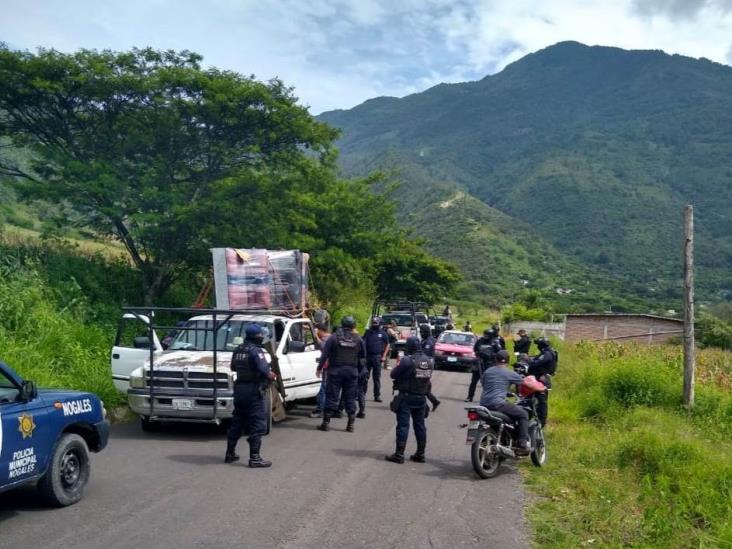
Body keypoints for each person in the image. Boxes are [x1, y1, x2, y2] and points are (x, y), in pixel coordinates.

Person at [225, 324, 276, 467]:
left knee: (238, 422)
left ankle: (230, 453)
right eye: (260, 336)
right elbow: (263, 369)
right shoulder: (256, 351)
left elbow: (233, 367)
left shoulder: (238, 349)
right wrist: (271, 375)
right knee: (257, 423)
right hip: (254, 390)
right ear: (257, 337)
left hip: (240, 389)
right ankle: (255, 458)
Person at [479, 350, 541, 455]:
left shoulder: (488, 371)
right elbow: (527, 384)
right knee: (523, 414)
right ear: (508, 361)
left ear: (495, 359)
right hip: (498, 404)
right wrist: (541, 388)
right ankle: (522, 444)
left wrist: (504, 391)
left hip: (484, 403)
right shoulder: (509, 373)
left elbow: (485, 384)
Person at [385, 337, 433, 464]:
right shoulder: (429, 361)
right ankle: (420, 454)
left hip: (406, 397)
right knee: (420, 426)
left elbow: (393, 375)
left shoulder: (407, 360)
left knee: (403, 426)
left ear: (409, 346)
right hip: (421, 398)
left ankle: (399, 454)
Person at [316, 316, 366, 433]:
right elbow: (363, 357)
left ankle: (326, 423)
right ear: (353, 325)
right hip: (351, 373)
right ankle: (350, 425)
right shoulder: (358, 339)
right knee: (350, 398)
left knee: (331, 396)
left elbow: (325, 354)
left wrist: (319, 369)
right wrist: (359, 371)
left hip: (335, 372)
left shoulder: (334, 338)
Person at [527, 337, 557, 427]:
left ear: (542, 345)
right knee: (531, 397)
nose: (538, 346)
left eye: (538, 345)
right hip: (540, 378)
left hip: (542, 379)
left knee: (541, 401)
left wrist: (530, 361)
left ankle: (541, 422)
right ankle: (531, 416)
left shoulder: (547, 354)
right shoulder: (547, 352)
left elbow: (537, 362)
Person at [362, 316, 390, 407]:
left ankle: (377, 395)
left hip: (377, 357)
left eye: (376, 323)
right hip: (367, 357)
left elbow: (387, 345)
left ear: (379, 323)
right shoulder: (367, 332)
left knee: (376, 378)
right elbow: (363, 343)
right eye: (373, 323)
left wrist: (384, 356)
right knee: (365, 376)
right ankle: (362, 394)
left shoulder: (383, 333)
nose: (374, 324)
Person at [466, 328, 500, 402]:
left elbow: (500, 353)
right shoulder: (480, 341)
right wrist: (479, 354)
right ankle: (470, 396)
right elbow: (475, 349)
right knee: (473, 381)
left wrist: (491, 355)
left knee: (489, 382)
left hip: (489, 364)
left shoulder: (495, 342)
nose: (485, 336)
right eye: (484, 334)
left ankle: (489, 398)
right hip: (479, 363)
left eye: (487, 335)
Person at [310, 323, 332, 418]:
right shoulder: (330, 337)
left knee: (323, 388)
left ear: (320, 330)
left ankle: (321, 410)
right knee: (325, 387)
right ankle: (322, 408)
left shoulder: (328, 339)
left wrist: (315, 336)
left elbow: (323, 347)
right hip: (327, 367)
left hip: (328, 367)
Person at [419, 324, 441, 412]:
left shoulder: (429, 341)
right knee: (423, 385)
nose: (420, 333)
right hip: (424, 364)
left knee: (421, 385)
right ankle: (434, 401)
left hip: (425, 365)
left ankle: (425, 407)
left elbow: (425, 355)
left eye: (422, 332)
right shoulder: (425, 340)